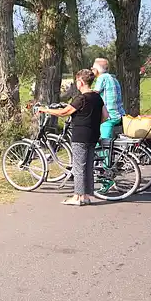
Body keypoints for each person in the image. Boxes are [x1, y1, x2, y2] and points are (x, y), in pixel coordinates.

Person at [39, 69, 109, 206]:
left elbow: (64, 112)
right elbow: (106, 116)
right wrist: (93, 123)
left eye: (77, 81)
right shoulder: (97, 97)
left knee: (79, 167)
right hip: (93, 135)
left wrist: (46, 110)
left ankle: (77, 197)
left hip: (80, 136)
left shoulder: (81, 98)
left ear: (81, 82)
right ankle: (87, 196)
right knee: (88, 166)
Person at [91, 58, 125, 140]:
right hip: (119, 114)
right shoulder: (113, 78)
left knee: (103, 142)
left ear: (96, 70)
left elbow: (94, 94)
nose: (91, 70)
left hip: (109, 116)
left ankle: (104, 152)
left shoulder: (102, 78)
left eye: (92, 68)